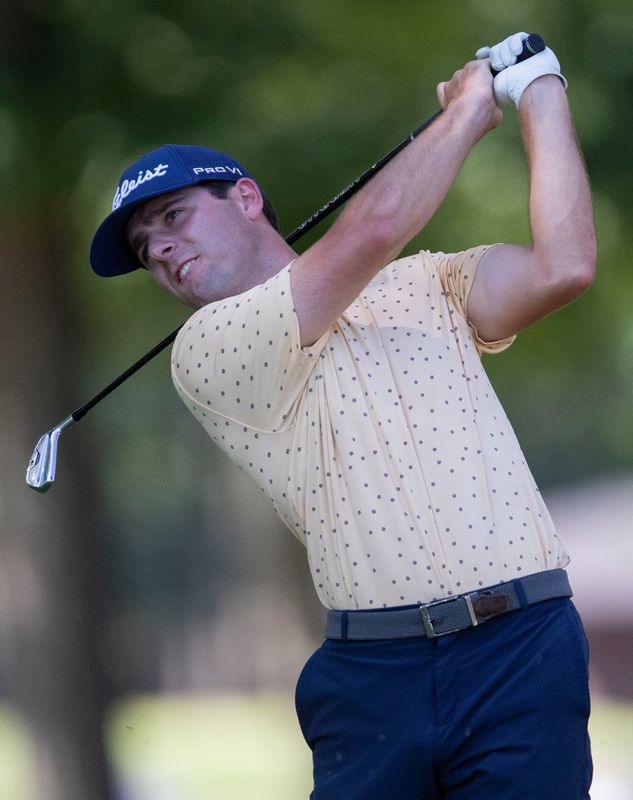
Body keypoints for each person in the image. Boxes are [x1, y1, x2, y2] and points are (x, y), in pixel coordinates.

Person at [90, 32, 596, 800]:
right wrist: (466, 111)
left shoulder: (430, 284)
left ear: (247, 198)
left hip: (522, 649)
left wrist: (537, 89)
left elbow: (563, 265)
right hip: (375, 676)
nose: (159, 248)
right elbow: (370, 231)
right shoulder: (207, 350)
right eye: (143, 243)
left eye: (173, 217)